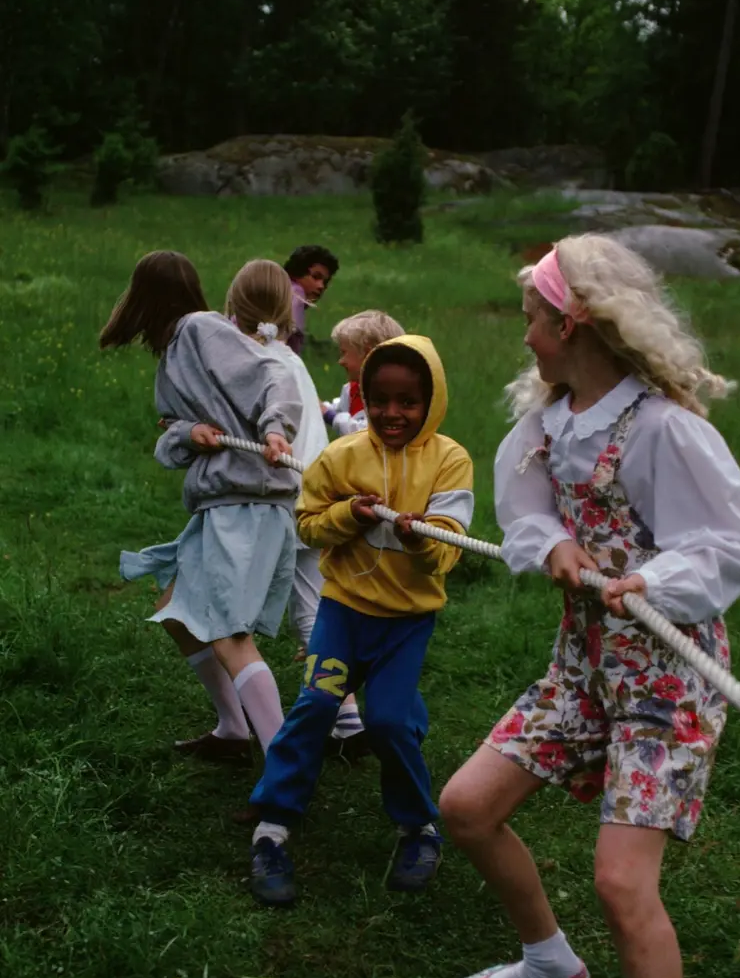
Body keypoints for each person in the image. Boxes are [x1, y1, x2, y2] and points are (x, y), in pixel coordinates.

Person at [438, 235, 740, 978]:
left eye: (534, 321)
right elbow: (529, 504)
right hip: (583, 667)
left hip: (666, 679)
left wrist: (650, 583)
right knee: (466, 808)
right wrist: (553, 546)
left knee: (623, 883)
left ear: (573, 322)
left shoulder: (661, 427)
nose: (527, 337)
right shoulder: (551, 420)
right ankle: (551, 962)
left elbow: (730, 546)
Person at [247, 336, 474, 907]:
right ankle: (272, 827)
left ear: (431, 402)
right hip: (343, 613)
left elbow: (450, 551)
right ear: (363, 398)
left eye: (409, 402)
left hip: (406, 624)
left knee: (390, 723)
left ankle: (418, 829)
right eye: (380, 400)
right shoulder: (341, 456)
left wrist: (419, 539)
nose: (393, 413)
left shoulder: (450, 460)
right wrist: (348, 514)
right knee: (319, 704)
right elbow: (307, 525)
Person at [105, 251, 302, 765]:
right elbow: (173, 437)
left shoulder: (199, 329)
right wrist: (188, 433)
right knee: (178, 615)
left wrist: (276, 428)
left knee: (228, 635)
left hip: (248, 503)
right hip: (222, 504)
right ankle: (233, 729)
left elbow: (275, 375)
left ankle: (286, 768)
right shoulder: (175, 349)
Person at [226, 258, 367, 760]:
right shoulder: (291, 358)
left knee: (230, 610)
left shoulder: (250, 363)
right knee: (312, 611)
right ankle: (347, 718)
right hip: (315, 491)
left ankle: (252, 725)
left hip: (277, 497)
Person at [322, 310, 405, 437]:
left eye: (344, 353)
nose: (341, 361)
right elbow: (337, 407)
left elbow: (364, 434)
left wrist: (329, 416)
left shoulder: (390, 399)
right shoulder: (353, 389)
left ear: (368, 355)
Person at [283, 245, 339, 357]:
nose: (321, 286)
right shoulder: (296, 294)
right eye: (316, 277)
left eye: (325, 282)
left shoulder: (277, 290)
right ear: (296, 273)